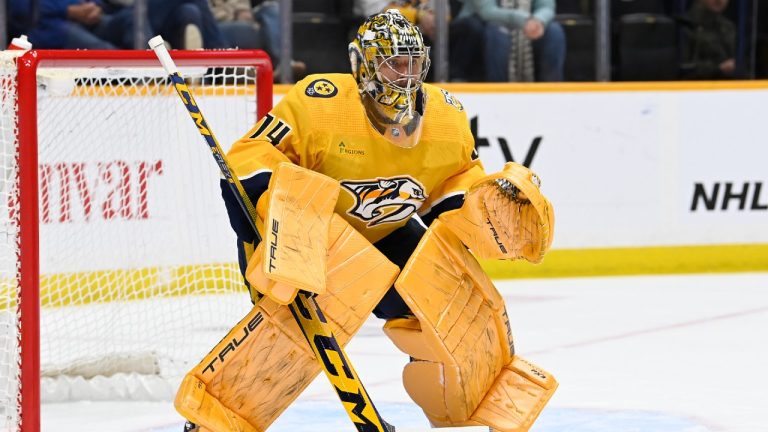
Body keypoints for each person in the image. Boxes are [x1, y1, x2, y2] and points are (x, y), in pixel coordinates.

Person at [177, 9, 557, 432]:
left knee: (448, 304)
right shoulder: (320, 103)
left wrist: (485, 207)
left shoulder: (446, 120)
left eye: (413, 63)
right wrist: (283, 222)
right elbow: (249, 160)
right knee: (291, 334)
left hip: (387, 230)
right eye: (394, 63)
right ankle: (216, 417)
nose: (405, 75)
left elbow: (453, 186)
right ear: (364, 66)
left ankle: (469, 406)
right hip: (308, 238)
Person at [456, 0, 566, 82]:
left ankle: (550, 92)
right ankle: (498, 93)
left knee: (554, 32)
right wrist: (524, 20)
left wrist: (538, 20)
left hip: (528, 27)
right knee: (496, 34)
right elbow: (487, 11)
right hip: (483, 27)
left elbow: (546, 7)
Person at [21, 0, 138, 49]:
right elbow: (20, 8)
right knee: (108, 53)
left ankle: (153, 73)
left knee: (132, 18)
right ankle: (142, 84)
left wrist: (95, 6)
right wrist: (69, 11)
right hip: (50, 26)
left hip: (89, 18)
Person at [680, 0, 736, 80]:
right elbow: (684, 68)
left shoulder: (728, 27)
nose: (719, 0)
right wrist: (718, 68)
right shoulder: (685, 26)